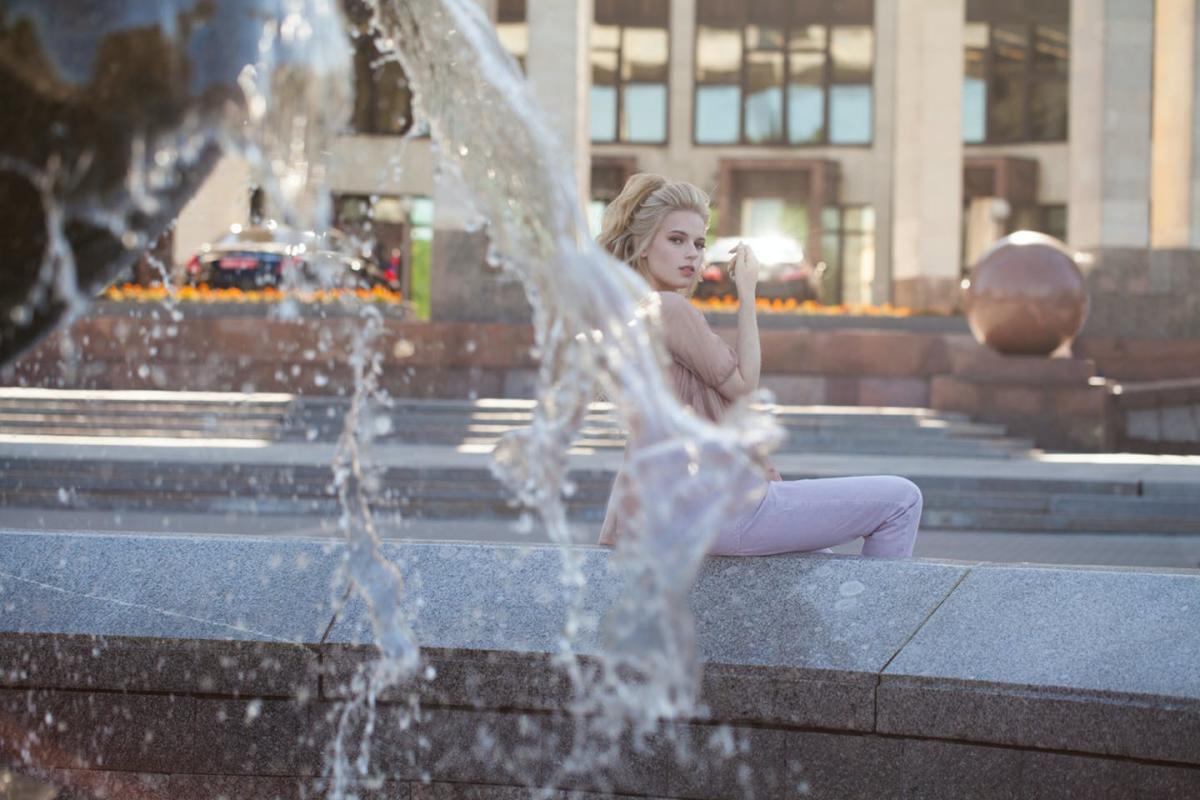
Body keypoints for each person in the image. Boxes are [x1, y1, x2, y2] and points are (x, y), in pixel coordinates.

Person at [596, 173, 922, 557]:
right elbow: (745, 385)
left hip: (678, 513)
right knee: (902, 499)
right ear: (643, 245)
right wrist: (747, 293)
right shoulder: (669, 308)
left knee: (819, 560)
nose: (692, 254)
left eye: (699, 243)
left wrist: (618, 528)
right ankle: (882, 619)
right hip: (720, 508)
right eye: (676, 240)